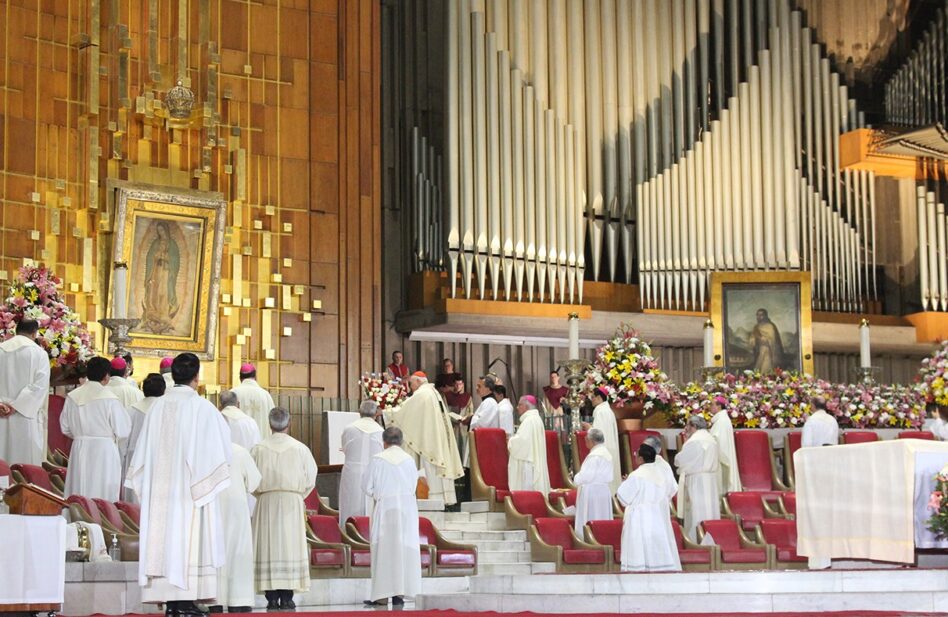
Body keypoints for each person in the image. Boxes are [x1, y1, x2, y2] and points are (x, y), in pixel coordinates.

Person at [125, 352, 233, 617]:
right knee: (188, 540)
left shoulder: (156, 407)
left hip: (160, 493)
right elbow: (220, 449)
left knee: (164, 539)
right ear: (197, 376)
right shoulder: (201, 407)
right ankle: (184, 601)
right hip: (187, 494)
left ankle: (173, 603)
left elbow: (141, 455)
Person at [251, 407, 317, 611]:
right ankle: (288, 597)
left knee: (268, 545)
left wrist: (262, 494)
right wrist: (297, 496)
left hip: (267, 501)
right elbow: (310, 478)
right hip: (291, 501)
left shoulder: (258, 449)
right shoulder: (300, 448)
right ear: (289, 424)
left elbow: (251, 479)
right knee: (290, 545)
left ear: (269, 425)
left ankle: (271, 597)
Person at [362, 427, 422, 607]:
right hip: (407, 510)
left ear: (384, 442)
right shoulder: (409, 460)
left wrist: (378, 494)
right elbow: (413, 485)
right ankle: (400, 594)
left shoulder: (378, 459)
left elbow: (366, 486)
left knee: (385, 550)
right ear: (401, 442)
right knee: (404, 550)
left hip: (386, 508)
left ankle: (381, 595)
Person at [384, 373, 463, 506]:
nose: (411, 387)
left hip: (429, 439)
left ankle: (433, 500)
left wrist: (386, 412)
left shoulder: (422, 394)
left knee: (430, 466)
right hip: (435, 436)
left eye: (412, 384)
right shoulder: (433, 392)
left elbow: (404, 411)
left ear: (419, 381)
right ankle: (442, 499)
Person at [61, 357, 132, 501]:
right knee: (102, 491)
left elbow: (65, 427)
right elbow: (123, 430)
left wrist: (81, 435)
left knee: (79, 487)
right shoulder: (110, 399)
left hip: (79, 446)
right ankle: (100, 519)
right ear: (107, 376)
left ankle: (76, 519)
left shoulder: (73, 396)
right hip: (104, 450)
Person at [616, 441, 681, 572]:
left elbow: (623, 498)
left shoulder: (637, 475)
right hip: (658, 516)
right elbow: (673, 490)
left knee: (640, 547)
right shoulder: (661, 473)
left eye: (636, 455)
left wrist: (625, 483)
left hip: (639, 518)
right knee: (657, 546)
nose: (635, 457)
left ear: (641, 459)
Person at [213, 439, 261, 614]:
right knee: (238, 554)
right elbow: (254, 482)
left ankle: (214, 599)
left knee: (214, 553)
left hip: (212, 508)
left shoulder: (202, 448)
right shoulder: (239, 451)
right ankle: (238, 600)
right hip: (236, 510)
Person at [0, 320, 50, 466]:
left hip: (1, 414)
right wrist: (15, 406)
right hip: (25, 417)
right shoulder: (39, 354)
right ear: (34, 333)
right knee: (24, 466)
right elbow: (39, 387)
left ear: (16, 331)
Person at [675, 415, 721, 541]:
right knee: (709, 511)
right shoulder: (710, 439)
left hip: (696, 481)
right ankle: (711, 539)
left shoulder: (694, 441)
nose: (686, 428)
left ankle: (696, 540)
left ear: (694, 426)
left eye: (687, 425)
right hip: (710, 480)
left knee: (697, 511)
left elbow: (680, 461)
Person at [338, 400, 384, 525]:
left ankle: (347, 532)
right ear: (376, 414)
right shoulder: (380, 431)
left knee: (349, 502)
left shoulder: (349, 428)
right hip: (373, 473)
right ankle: (368, 534)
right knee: (370, 506)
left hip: (352, 471)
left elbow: (345, 448)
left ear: (359, 412)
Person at [124, 373, 166, 503]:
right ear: (163, 390)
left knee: (135, 499)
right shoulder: (167, 410)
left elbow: (125, 437)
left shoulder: (131, 410)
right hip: (159, 457)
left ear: (143, 389)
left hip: (134, 457)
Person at [573, 428, 614, 535]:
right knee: (602, 518)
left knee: (591, 517)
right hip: (603, 492)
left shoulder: (595, 456)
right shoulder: (606, 453)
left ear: (592, 441)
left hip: (591, 493)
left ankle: (588, 540)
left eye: (586, 438)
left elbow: (585, 477)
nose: (585, 440)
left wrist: (576, 478)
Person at [507, 395, 550, 493]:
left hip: (528, 464)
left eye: (519, 405)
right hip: (534, 460)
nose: (517, 408)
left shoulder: (529, 421)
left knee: (528, 492)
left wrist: (509, 441)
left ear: (526, 407)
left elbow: (521, 442)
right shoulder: (537, 419)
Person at [585, 387, 622, 492]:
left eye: (593, 397)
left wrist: (589, 428)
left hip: (603, 451)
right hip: (610, 449)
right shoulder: (607, 411)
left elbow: (598, 435)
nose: (591, 399)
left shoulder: (601, 412)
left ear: (599, 398)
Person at [232, 363, 275, 440]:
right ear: (255, 377)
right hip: (262, 444)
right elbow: (273, 420)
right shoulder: (265, 395)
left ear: (240, 378)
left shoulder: (233, 393)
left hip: (238, 445)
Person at [708, 398, 741, 493]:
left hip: (721, 460)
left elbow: (718, 442)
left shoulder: (721, 421)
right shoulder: (721, 420)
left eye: (712, 404)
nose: (710, 407)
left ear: (719, 406)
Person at [751, 308, 784, 374]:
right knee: (758, 370)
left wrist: (764, 339)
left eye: (761, 315)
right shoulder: (756, 327)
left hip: (768, 352)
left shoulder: (770, 326)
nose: (759, 317)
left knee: (766, 370)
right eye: (757, 315)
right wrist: (754, 340)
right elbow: (752, 339)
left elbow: (773, 340)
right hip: (759, 352)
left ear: (765, 316)